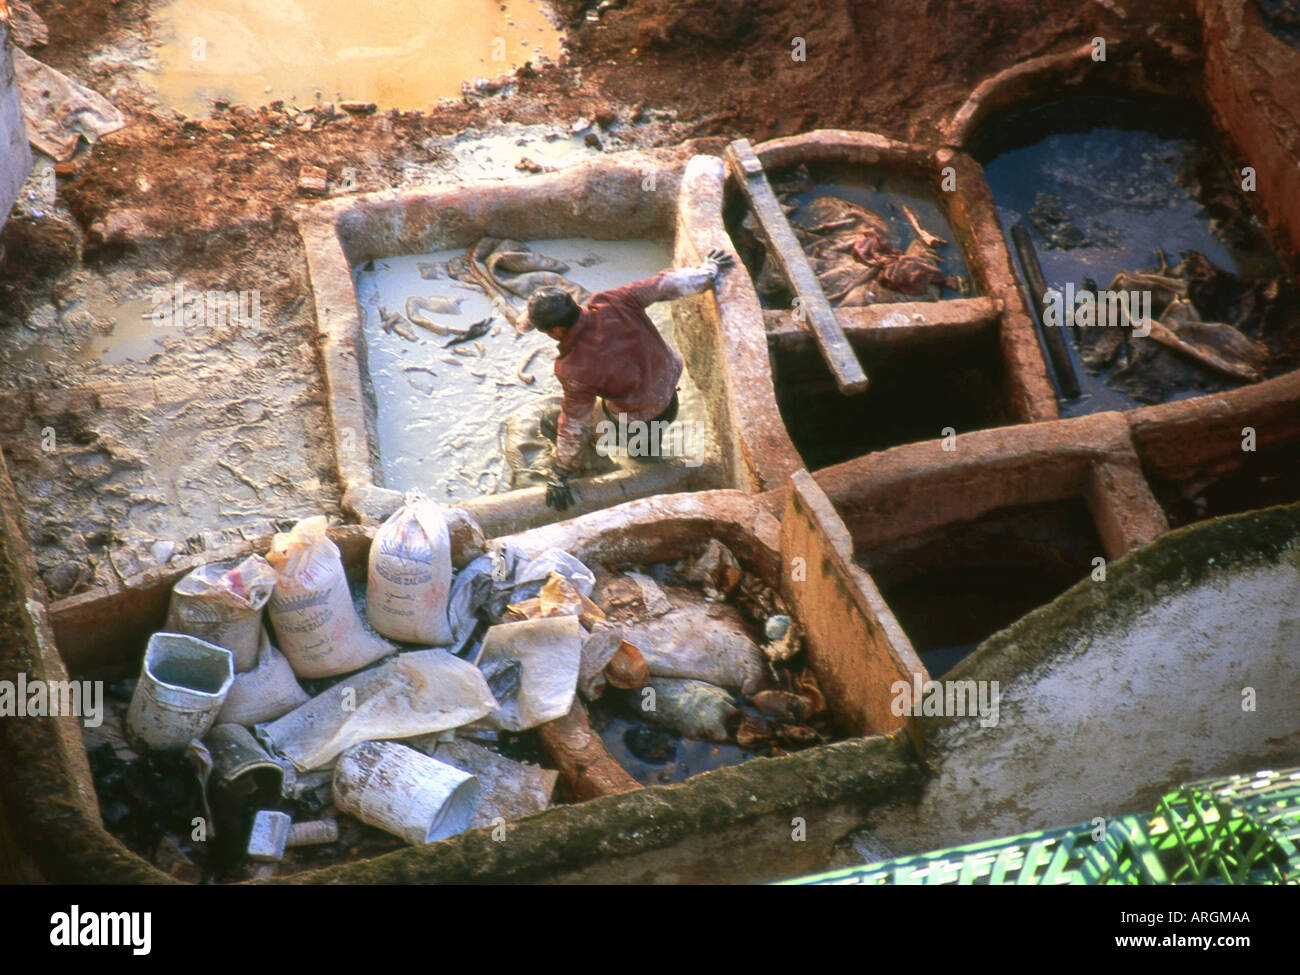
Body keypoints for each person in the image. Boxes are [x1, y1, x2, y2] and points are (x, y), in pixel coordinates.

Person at [518, 248, 734, 511]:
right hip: (668, 402)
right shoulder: (614, 301)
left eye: (543, 330)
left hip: (632, 422)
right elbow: (666, 284)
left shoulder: (573, 367)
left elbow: (574, 425)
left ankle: (597, 469)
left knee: (551, 420)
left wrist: (560, 475)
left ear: (557, 330)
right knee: (644, 451)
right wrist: (708, 271)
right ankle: (648, 460)